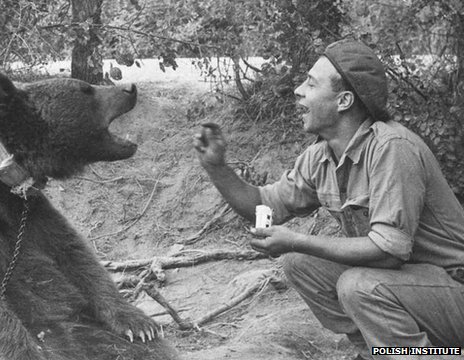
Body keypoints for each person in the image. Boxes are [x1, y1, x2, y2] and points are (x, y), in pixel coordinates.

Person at [193, 39, 464, 359]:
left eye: (310, 83)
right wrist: (217, 167)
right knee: (300, 265)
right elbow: (263, 207)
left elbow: (388, 253)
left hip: (453, 291)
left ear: (344, 100)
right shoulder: (320, 157)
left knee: (358, 285)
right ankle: (381, 351)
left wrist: (296, 240)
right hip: (408, 289)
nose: (297, 90)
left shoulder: (392, 147)